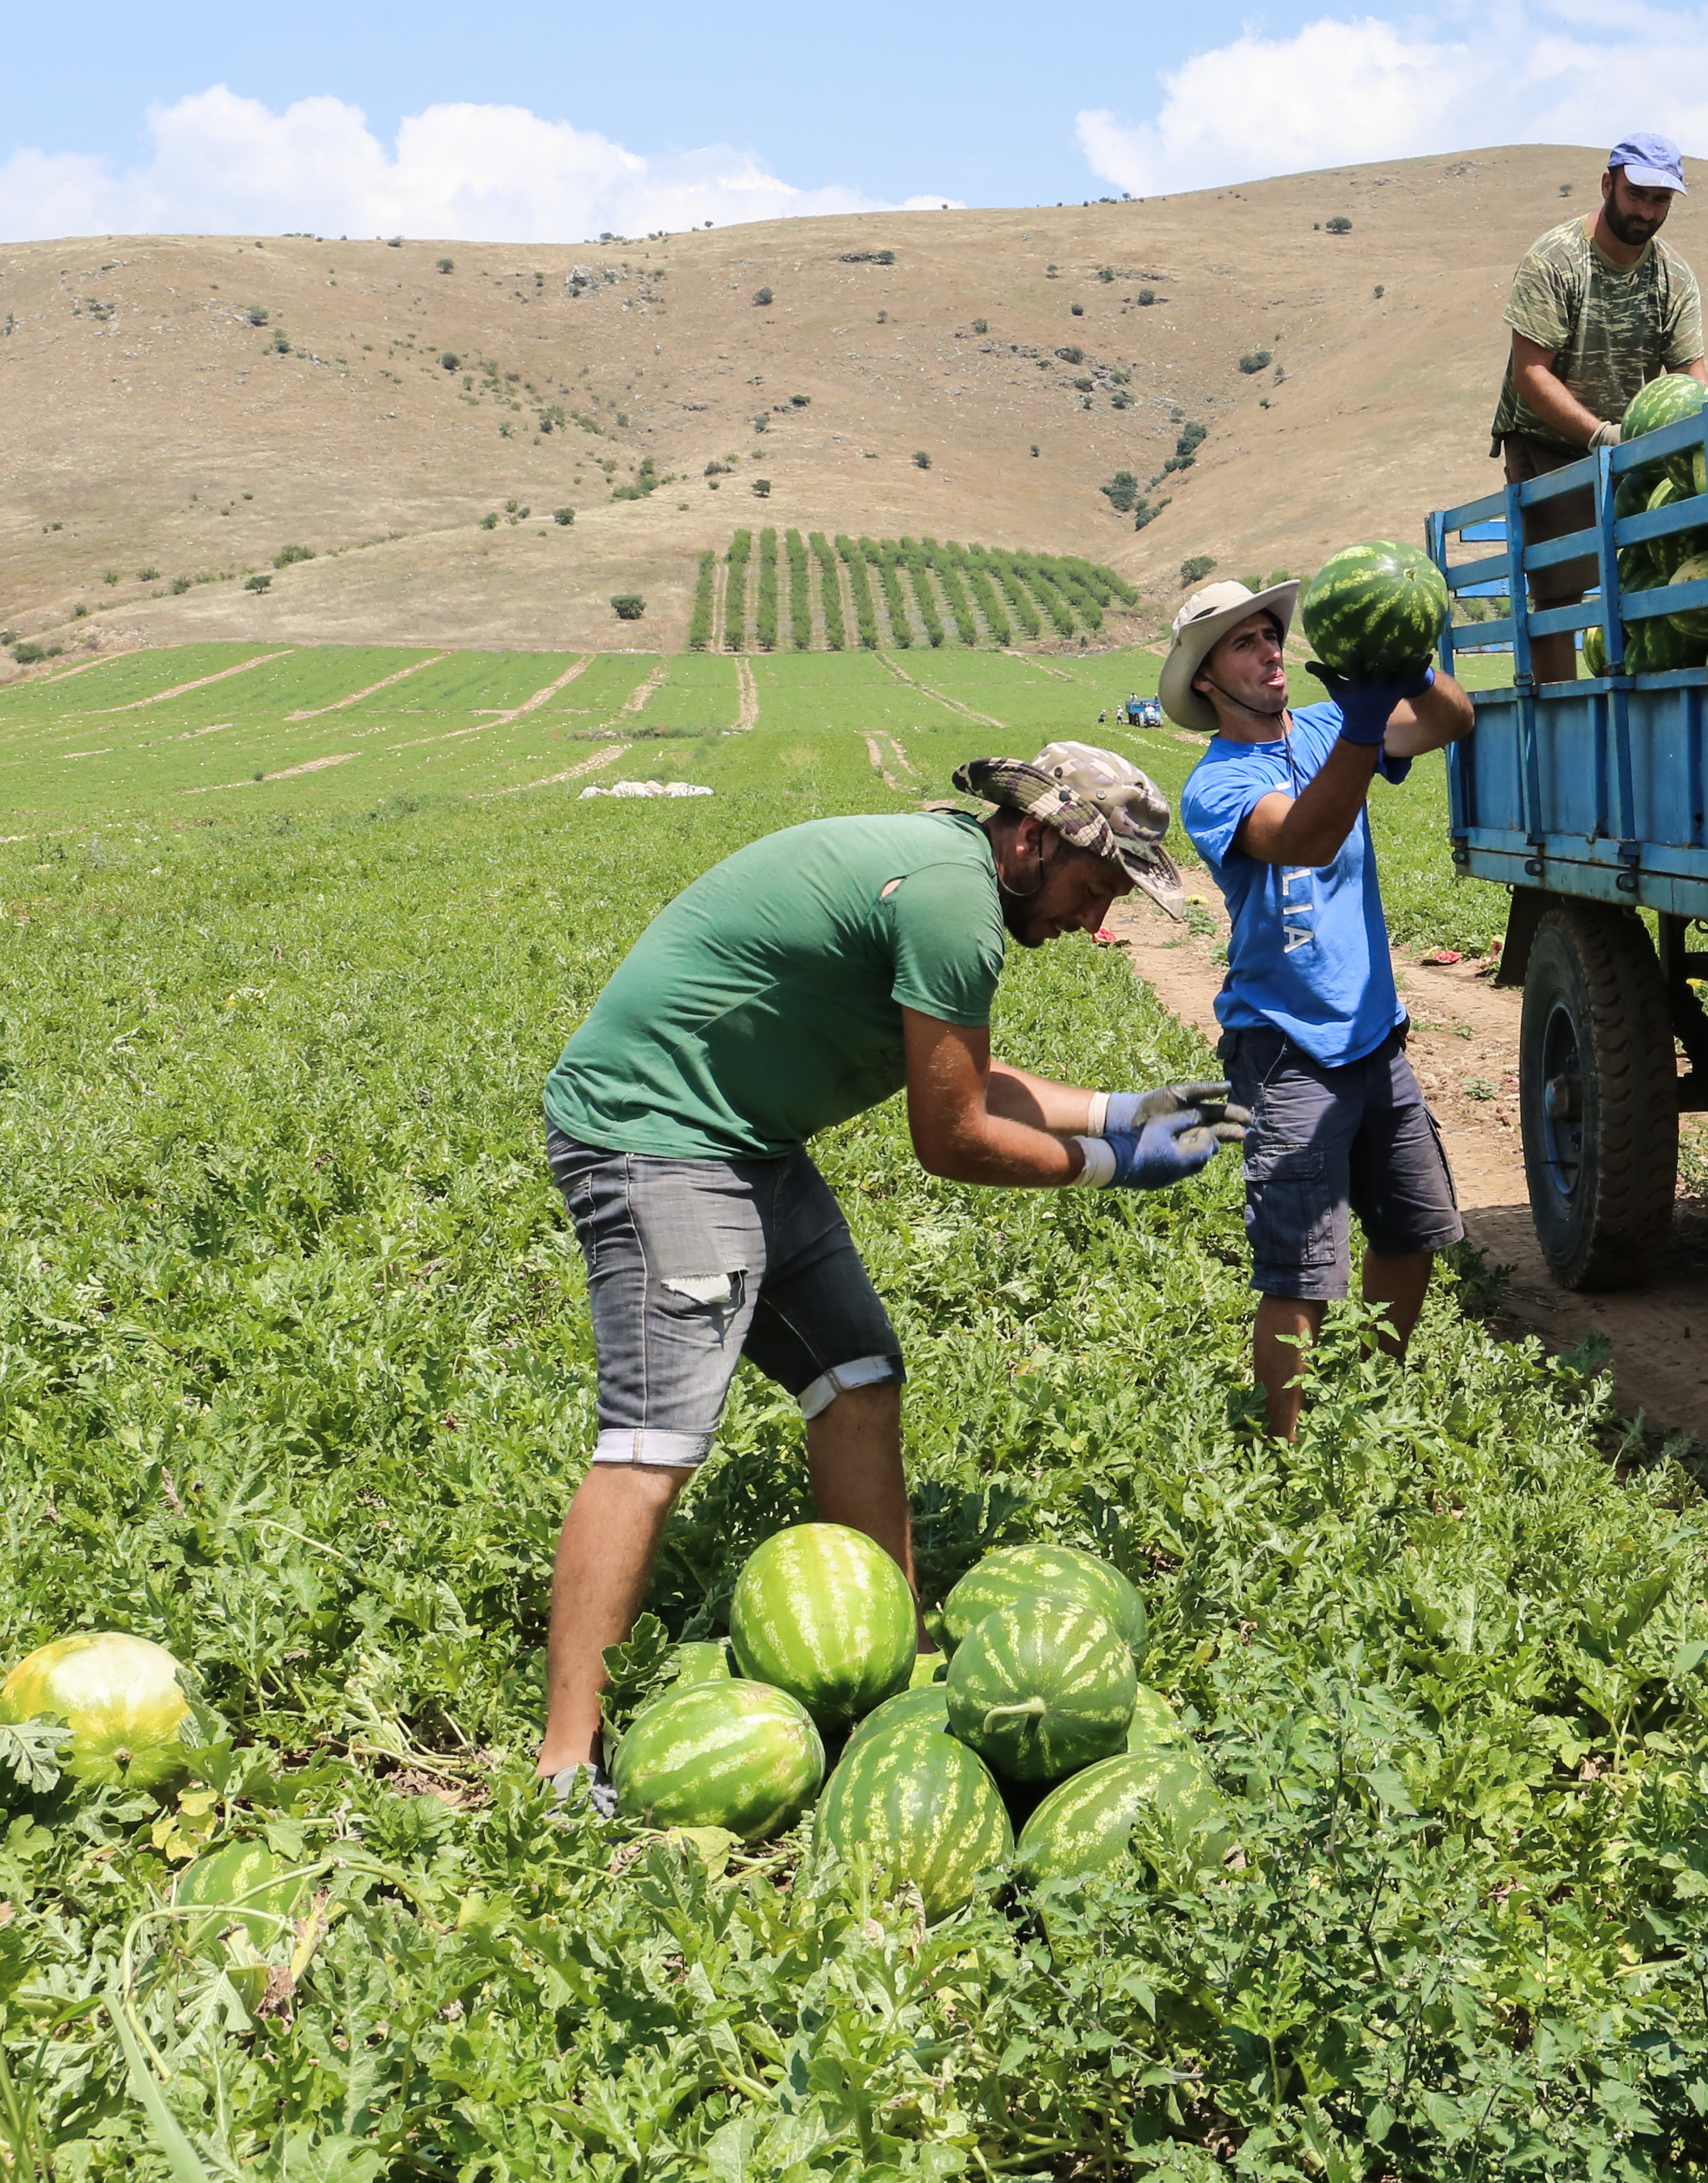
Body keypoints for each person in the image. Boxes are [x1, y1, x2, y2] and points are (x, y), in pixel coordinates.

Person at [530, 744, 1237, 1788]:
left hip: (744, 1142)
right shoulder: (952, 901)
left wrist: (1122, 1111)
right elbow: (951, 1136)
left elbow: (970, 1073)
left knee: (859, 1372)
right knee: (655, 1439)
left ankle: (887, 1673)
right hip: (657, 1139)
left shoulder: (951, 876)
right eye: (1096, 888)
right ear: (1033, 841)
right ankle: (562, 1765)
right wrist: (1105, 1166)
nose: (1096, 923)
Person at [1161, 576, 1476, 1435]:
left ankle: (1371, 1402)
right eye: (1243, 643)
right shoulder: (1215, 784)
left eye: (1271, 635)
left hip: (1375, 1037)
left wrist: (1408, 668)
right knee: (1300, 1268)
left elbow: (1451, 721)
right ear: (1205, 680)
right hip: (1285, 1046)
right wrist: (1367, 729)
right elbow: (1303, 836)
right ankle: (1286, 1452)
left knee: (1413, 1230)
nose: (1269, 653)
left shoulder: (1333, 727)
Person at [1489, 131, 1708, 605]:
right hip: (1548, 444)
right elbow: (1530, 374)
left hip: (1632, 448)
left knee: (1647, 575)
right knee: (1559, 590)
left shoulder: (1674, 276)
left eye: (1660, 200)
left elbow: (1691, 375)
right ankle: (1554, 684)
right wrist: (1601, 436)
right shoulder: (1556, 261)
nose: (1647, 212)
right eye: (1636, 195)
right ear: (1608, 185)